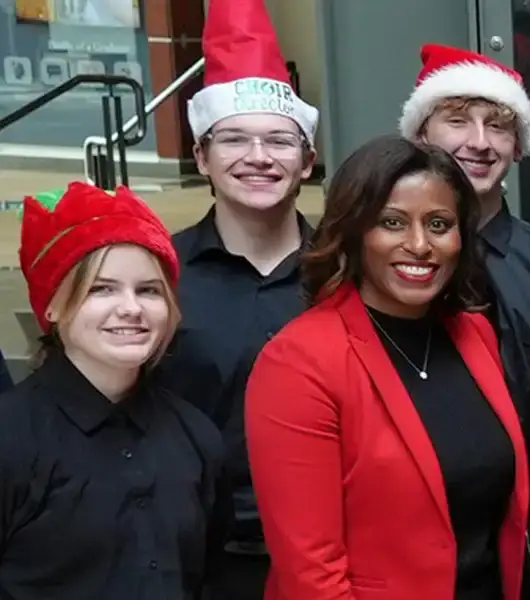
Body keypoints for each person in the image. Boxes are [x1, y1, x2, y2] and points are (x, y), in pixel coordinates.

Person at [245, 136, 528, 600]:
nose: (419, 245)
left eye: (439, 224)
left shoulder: (473, 334)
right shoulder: (299, 363)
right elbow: (312, 575)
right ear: (354, 231)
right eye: (392, 223)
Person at [157, 0, 321, 596]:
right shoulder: (158, 277)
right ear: (201, 156)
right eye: (233, 140)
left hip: (330, 549)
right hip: (196, 556)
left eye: (280, 140)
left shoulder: (350, 272)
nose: (258, 158)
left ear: (307, 160)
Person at [0, 183, 225, 598]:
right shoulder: (11, 439)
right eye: (101, 289)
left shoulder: (196, 437)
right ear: (52, 305)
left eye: (148, 290)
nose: (131, 308)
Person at [399, 43, 530, 470]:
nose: (479, 143)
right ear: (421, 135)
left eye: (499, 128)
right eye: (458, 121)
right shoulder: (385, 257)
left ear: (518, 146)